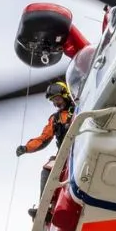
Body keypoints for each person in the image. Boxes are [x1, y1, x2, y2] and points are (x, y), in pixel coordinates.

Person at [15, 80, 75, 214]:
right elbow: (44, 138)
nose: (56, 104)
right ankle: (46, 207)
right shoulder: (56, 118)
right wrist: (26, 148)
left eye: (57, 99)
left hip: (82, 146)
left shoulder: (80, 105)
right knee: (47, 169)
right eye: (53, 101)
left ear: (66, 95)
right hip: (65, 155)